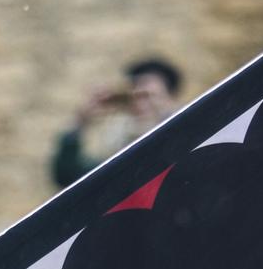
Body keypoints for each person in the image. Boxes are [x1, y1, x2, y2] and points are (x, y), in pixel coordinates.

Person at [49, 55, 183, 189]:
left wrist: (166, 115)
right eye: (134, 97)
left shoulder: (186, 139)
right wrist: (80, 121)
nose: (140, 105)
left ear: (169, 99)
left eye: (148, 97)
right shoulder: (120, 155)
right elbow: (67, 176)